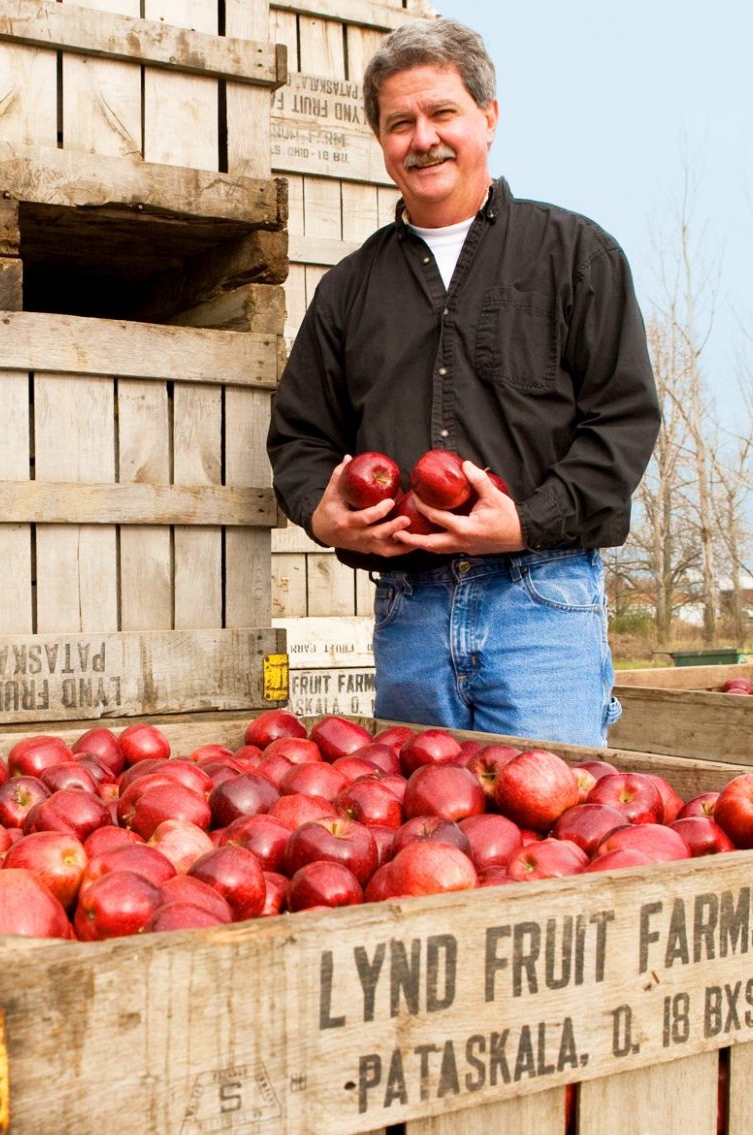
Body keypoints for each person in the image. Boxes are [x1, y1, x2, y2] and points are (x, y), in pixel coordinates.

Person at [266, 18, 660, 748]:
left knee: (559, 834)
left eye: (443, 113)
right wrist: (323, 515)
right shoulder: (350, 290)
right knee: (424, 838)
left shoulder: (575, 256)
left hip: (540, 600)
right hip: (407, 609)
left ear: (488, 117)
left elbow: (624, 422)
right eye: (399, 123)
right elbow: (299, 434)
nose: (423, 138)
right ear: (381, 142)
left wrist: (527, 521)